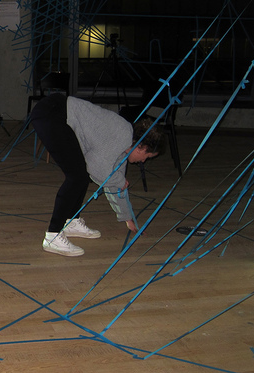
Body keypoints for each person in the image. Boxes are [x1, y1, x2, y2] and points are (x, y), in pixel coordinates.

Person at [30, 93, 164, 257]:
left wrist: (129, 220)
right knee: (77, 176)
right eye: (147, 157)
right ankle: (53, 235)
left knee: (80, 174)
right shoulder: (122, 136)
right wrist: (120, 180)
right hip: (52, 113)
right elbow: (96, 168)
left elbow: (114, 185)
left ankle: (71, 221)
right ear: (141, 147)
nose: (143, 161)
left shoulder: (125, 147)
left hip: (59, 114)